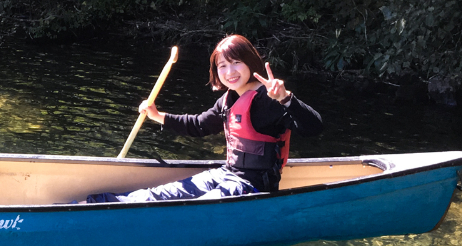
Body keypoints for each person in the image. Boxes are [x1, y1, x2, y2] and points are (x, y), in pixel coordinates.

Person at [87, 35, 322, 203]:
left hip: (253, 186)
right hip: (227, 174)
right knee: (167, 193)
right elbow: (199, 125)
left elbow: (314, 127)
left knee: (190, 206)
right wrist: (158, 117)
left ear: (251, 62)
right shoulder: (229, 100)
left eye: (236, 63)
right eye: (223, 66)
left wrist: (286, 98)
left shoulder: (267, 99)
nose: (230, 72)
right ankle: (99, 203)